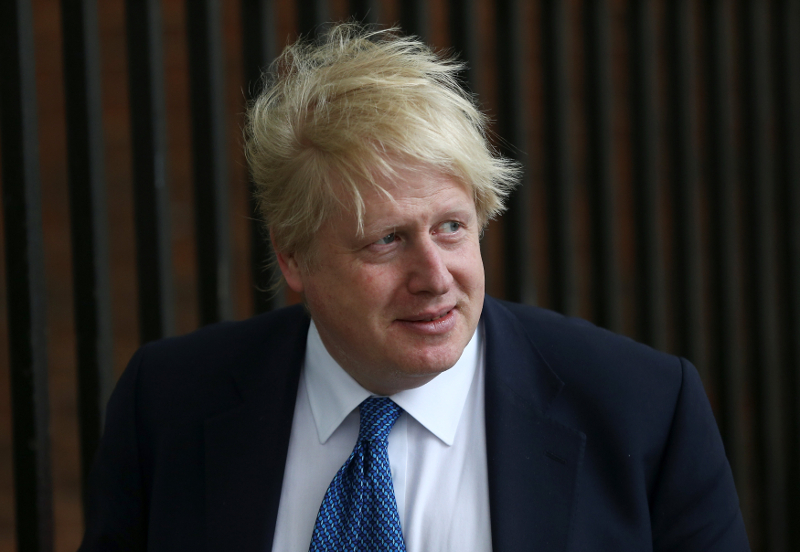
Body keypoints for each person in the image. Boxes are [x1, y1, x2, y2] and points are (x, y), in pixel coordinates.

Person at [79, 23, 750, 552]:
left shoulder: (644, 410)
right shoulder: (168, 404)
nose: (435, 278)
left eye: (452, 228)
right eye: (387, 240)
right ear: (293, 258)